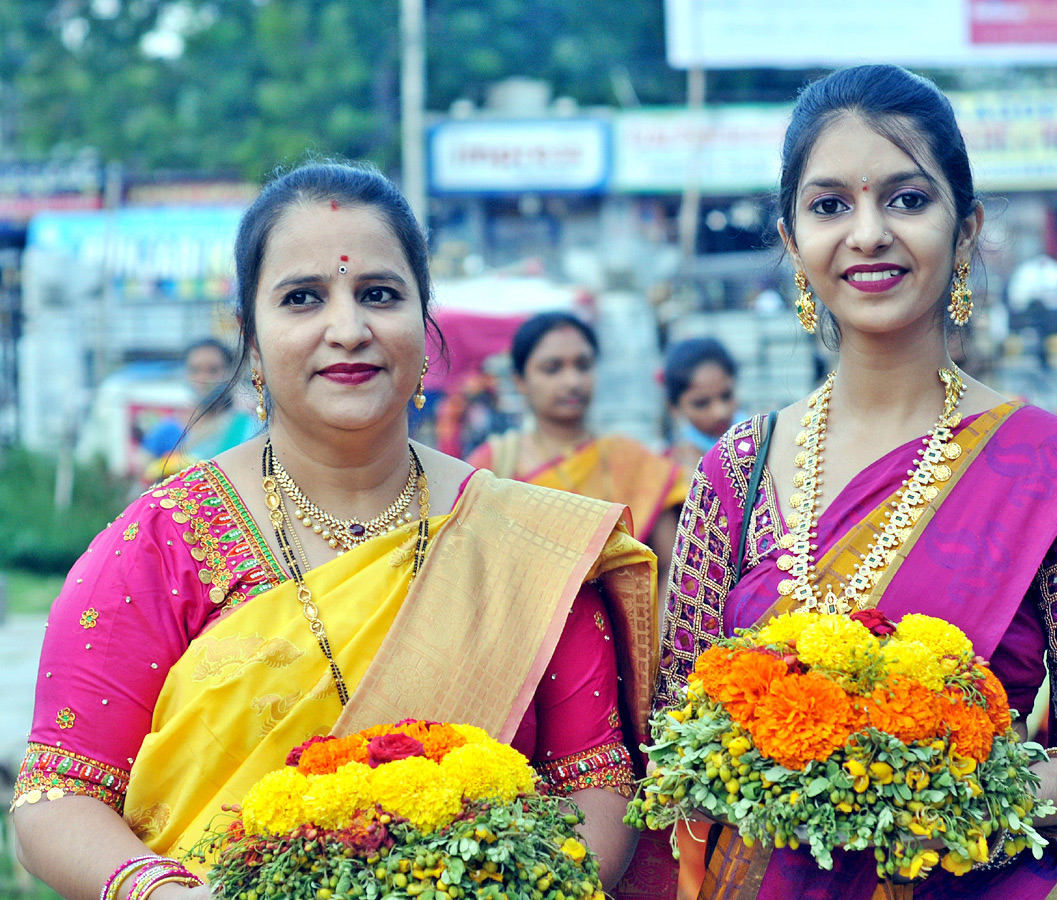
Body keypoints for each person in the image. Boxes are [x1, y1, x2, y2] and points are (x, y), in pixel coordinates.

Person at [11, 161, 658, 900]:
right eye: (302, 298)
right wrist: (166, 894)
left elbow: (596, 778)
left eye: (379, 294)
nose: (347, 329)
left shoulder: (525, 539)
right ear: (252, 340)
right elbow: (58, 794)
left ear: (425, 327)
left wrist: (507, 887)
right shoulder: (163, 543)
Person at [655, 65, 1057, 900]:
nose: (867, 234)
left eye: (905, 199)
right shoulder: (736, 472)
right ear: (791, 242)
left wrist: (992, 799)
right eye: (830, 206)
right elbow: (676, 715)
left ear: (965, 232)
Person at [468, 311, 689, 595]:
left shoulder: (632, 461)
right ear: (520, 380)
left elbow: (672, 567)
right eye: (552, 368)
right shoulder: (492, 466)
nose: (573, 381)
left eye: (583, 365)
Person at [136, 338, 260, 483]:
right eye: (195, 370)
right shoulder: (167, 430)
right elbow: (143, 482)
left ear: (231, 373)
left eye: (213, 370)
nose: (203, 378)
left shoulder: (245, 425)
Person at [663, 337, 740, 476]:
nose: (720, 412)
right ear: (674, 408)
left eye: (726, 396)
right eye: (701, 403)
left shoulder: (766, 444)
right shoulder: (669, 472)